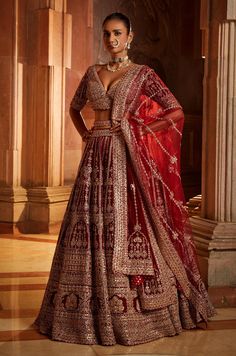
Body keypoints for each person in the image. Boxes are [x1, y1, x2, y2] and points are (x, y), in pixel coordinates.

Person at [35, 12, 215, 346]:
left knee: (125, 225)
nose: (111, 40)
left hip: (124, 154)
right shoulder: (92, 72)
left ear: (130, 36)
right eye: (106, 34)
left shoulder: (142, 74)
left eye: (117, 33)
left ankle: (132, 311)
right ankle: (80, 309)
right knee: (86, 224)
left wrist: (142, 129)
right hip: (94, 158)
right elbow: (75, 108)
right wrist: (86, 134)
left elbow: (173, 110)